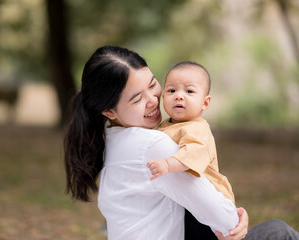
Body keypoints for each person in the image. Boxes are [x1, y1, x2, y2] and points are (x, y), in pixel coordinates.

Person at [64, 45, 299, 240]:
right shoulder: (153, 145)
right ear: (109, 111)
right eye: (137, 98)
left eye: (152, 84)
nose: (152, 100)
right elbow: (226, 222)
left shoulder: (113, 144)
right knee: (279, 232)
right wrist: (236, 216)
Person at [146, 61, 234, 239]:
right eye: (171, 90)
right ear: (163, 96)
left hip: (210, 200)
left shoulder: (198, 128)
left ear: (205, 102)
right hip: (185, 200)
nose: (179, 96)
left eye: (189, 91)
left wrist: (167, 164)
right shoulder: (166, 125)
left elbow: (192, 152)